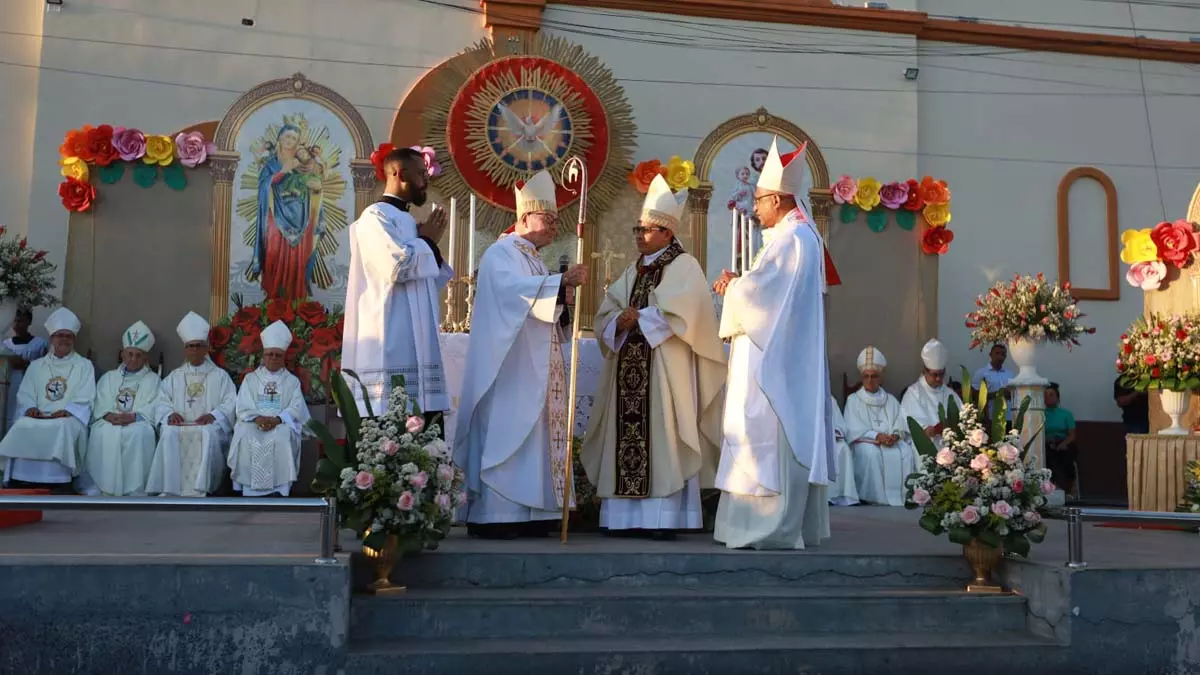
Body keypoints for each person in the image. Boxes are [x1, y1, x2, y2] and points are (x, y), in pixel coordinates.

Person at [582, 174, 727, 540]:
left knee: (663, 436)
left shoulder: (685, 266)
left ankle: (663, 519)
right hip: (629, 365)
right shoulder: (634, 269)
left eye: (645, 230)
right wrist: (619, 320)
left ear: (665, 232)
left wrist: (640, 317)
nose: (638, 235)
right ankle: (623, 519)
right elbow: (607, 311)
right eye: (637, 229)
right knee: (629, 435)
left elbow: (685, 313)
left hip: (664, 372)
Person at [710, 137, 835, 550]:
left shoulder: (792, 239)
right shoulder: (795, 237)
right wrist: (742, 285)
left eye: (760, 200)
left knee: (767, 436)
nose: (755, 207)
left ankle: (769, 527)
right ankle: (757, 525)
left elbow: (764, 296)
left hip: (775, 362)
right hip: (775, 353)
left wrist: (732, 287)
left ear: (779, 200)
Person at [454, 170, 589, 539]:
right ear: (524, 217)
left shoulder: (530, 258)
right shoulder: (501, 253)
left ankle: (533, 511)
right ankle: (498, 514)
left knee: (536, 437)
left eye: (556, 221)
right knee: (508, 432)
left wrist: (562, 292)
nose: (552, 226)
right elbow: (514, 294)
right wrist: (561, 283)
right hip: (509, 366)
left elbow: (542, 304)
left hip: (534, 365)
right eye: (547, 218)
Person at [342, 147, 451, 430]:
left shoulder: (409, 223)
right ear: (398, 173)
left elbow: (430, 279)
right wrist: (427, 241)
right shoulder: (375, 217)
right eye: (420, 174)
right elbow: (397, 268)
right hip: (389, 341)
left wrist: (428, 243)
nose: (426, 180)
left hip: (419, 343)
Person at [0, 307, 96, 493]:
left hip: (67, 417)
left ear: (74, 339)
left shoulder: (84, 366)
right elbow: (26, 393)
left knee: (62, 427)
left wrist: (69, 411)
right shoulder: (36, 366)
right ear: (51, 338)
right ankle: (21, 479)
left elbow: (86, 396)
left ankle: (59, 480)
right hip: (38, 414)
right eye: (59, 335)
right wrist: (30, 408)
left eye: (68, 336)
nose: (64, 339)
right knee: (22, 425)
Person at [146, 312, 238, 497]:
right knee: (169, 432)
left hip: (209, 425)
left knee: (207, 432)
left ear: (206, 349)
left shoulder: (219, 376)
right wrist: (169, 415)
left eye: (198, 346)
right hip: (179, 425)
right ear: (185, 350)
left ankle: (201, 488)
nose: (194, 350)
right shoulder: (175, 376)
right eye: (190, 346)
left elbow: (231, 402)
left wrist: (214, 415)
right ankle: (170, 488)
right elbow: (162, 401)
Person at [227, 320, 311, 497]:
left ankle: (280, 489)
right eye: (270, 354)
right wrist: (257, 418)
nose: (273, 358)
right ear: (263, 356)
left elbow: (296, 407)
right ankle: (247, 490)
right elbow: (242, 405)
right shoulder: (251, 379)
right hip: (253, 423)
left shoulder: (291, 381)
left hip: (280, 423)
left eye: (277, 355)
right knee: (246, 434)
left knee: (282, 435)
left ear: (284, 358)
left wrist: (277, 419)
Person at [247, 124, 328, 302]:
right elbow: (263, 187)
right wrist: (282, 172)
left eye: (293, 138)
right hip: (275, 217)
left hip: (301, 219)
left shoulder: (304, 165)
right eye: (287, 137)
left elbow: (314, 185)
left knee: (297, 262)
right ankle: (273, 301)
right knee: (273, 252)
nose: (290, 141)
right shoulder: (272, 164)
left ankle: (296, 302)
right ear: (279, 139)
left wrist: (316, 189)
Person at [84, 321, 160, 496]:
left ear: (145, 358)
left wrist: (135, 417)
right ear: (122, 354)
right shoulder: (109, 378)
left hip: (138, 422)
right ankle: (102, 486)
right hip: (110, 420)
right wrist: (108, 415)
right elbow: (99, 402)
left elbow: (155, 405)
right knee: (103, 432)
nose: (133, 359)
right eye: (130, 354)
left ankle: (136, 488)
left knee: (139, 434)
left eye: (138, 355)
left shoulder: (153, 380)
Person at [843, 347, 917, 507]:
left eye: (874, 376)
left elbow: (901, 421)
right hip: (866, 442)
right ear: (862, 378)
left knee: (905, 451)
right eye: (866, 376)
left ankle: (904, 495)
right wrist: (877, 436)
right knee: (871, 453)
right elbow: (852, 428)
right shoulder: (853, 400)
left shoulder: (890, 400)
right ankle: (874, 496)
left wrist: (895, 436)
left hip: (890, 440)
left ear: (881, 378)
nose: (870, 380)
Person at [900, 339, 964, 448]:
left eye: (941, 374)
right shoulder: (913, 393)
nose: (939, 378)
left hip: (950, 442)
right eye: (934, 375)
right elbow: (912, 424)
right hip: (926, 443)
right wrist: (927, 429)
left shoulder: (950, 393)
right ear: (925, 371)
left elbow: (961, 416)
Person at [3, 307, 48, 435]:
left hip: (30, 384)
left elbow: (45, 365)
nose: (17, 324)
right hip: (9, 385)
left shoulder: (39, 344)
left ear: (29, 322)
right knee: (9, 412)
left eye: (21, 321)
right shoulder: (6, 345)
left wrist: (27, 364)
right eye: (15, 321)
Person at [1044, 382, 1078, 497]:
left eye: (1051, 394)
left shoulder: (1066, 414)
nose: (1048, 397)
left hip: (1064, 442)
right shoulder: (1039, 414)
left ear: (1058, 398)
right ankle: (1053, 487)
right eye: (1045, 395)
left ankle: (1069, 488)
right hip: (1047, 443)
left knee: (1067, 457)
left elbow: (1072, 435)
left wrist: (1063, 443)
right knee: (1048, 456)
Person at [828, 394, 859, 506]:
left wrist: (835, 431)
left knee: (843, 448)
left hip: (828, 439)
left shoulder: (828, 398)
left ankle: (842, 495)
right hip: (809, 441)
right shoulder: (799, 396)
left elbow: (839, 424)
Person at [972, 344, 1014, 421]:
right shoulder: (981, 373)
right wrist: (998, 394)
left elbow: (1016, 395)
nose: (1000, 357)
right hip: (990, 417)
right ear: (990, 355)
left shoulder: (1010, 374)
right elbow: (975, 395)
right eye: (997, 353)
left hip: (1009, 417)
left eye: (1003, 354)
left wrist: (1010, 394)